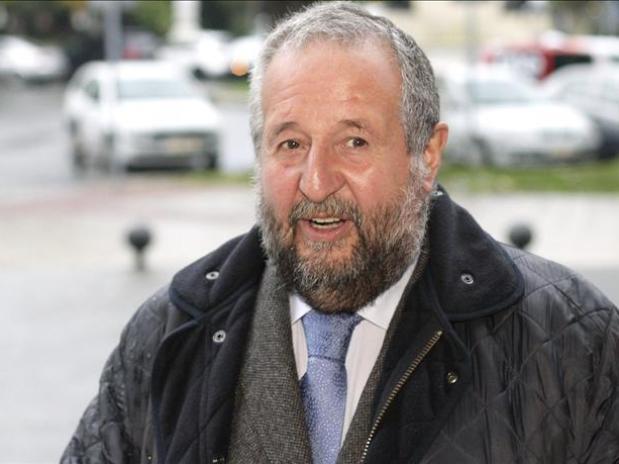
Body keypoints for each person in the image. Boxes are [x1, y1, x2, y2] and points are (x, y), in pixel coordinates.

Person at [62, 2, 619, 463]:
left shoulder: (572, 343)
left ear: (427, 154)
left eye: (354, 142)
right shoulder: (165, 337)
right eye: (290, 144)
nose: (316, 181)